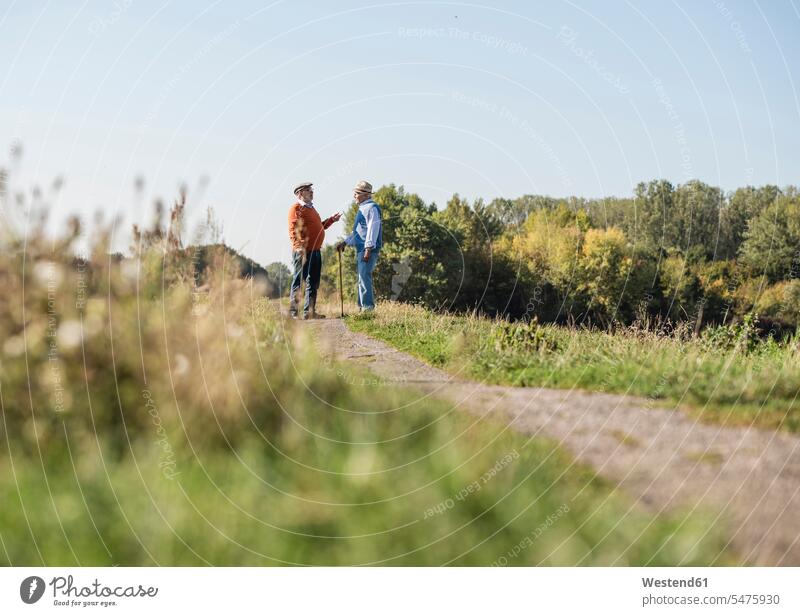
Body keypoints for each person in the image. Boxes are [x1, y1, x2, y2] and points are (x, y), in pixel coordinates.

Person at [287, 182, 340, 319]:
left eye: (311, 190)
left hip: (316, 251)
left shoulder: (311, 208)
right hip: (303, 251)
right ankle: (293, 312)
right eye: (307, 190)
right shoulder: (296, 208)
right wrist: (298, 245)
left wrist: (331, 220)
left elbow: (319, 227)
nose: (311, 192)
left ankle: (309, 312)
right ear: (299, 193)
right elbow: (293, 230)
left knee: (313, 282)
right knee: (299, 281)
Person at [336, 181, 382, 311]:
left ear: (365, 195)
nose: (354, 196)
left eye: (356, 193)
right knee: (361, 278)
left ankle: (367, 309)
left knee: (364, 277)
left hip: (368, 249)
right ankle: (362, 308)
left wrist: (368, 248)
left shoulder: (372, 208)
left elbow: (373, 229)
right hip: (362, 249)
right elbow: (358, 232)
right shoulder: (362, 208)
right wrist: (345, 242)